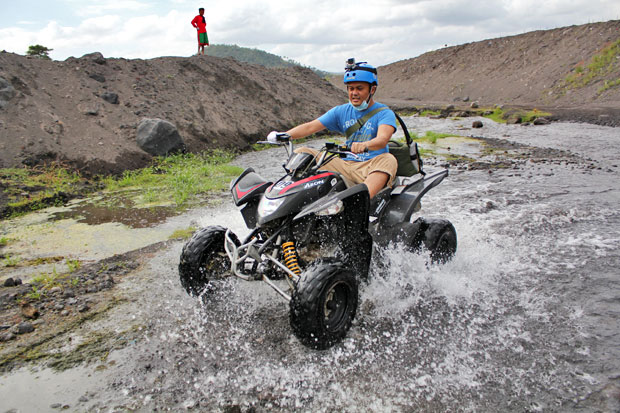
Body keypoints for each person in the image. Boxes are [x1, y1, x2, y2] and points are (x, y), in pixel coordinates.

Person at [267, 59, 398, 199]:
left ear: (372, 89)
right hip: (345, 164)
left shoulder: (384, 113)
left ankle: (362, 202)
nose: (354, 93)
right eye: (351, 88)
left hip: (370, 165)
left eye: (359, 88)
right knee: (302, 152)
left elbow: (382, 139)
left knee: (389, 160)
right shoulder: (340, 111)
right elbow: (310, 126)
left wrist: (365, 145)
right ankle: (291, 199)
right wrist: (284, 135)